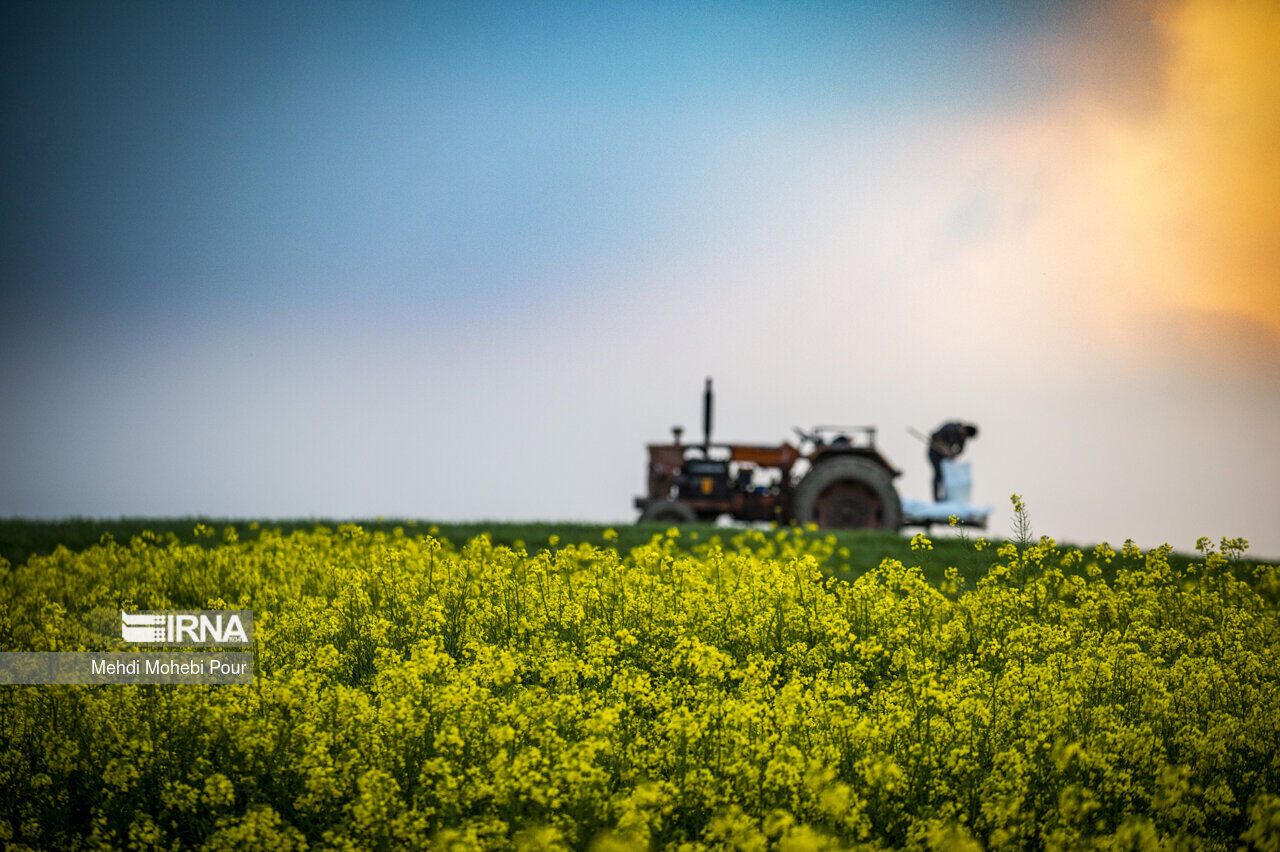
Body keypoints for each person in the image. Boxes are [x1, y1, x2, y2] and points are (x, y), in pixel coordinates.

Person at [928, 421, 978, 501]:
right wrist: (944, 448)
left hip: (945, 458)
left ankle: (947, 497)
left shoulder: (962, 437)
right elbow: (935, 437)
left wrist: (952, 454)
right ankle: (937, 499)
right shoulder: (950, 428)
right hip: (935, 453)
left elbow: (960, 450)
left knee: (947, 476)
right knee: (938, 474)